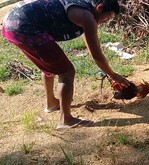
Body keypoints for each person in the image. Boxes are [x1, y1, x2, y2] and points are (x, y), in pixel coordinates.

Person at [2, 0, 130, 129]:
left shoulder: (83, 9)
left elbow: (92, 50)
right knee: (67, 72)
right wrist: (113, 75)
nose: (106, 21)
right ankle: (66, 120)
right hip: (24, 26)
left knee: (50, 63)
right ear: (99, 7)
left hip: (10, 24)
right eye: (107, 17)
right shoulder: (87, 17)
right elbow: (97, 55)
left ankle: (51, 103)